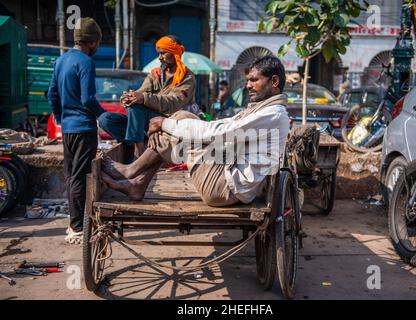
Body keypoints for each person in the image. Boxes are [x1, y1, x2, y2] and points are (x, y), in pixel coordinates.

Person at [101, 56, 290, 206]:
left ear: (274, 81)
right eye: (248, 80)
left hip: (226, 188)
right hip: (228, 173)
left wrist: (165, 124)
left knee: (181, 119)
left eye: (254, 80)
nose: (248, 85)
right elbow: (227, 123)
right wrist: (167, 123)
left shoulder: (272, 113)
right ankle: (137, 183)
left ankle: (133, 171)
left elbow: (221, 132)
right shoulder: (264, 109)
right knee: (182, 119)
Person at [47, 17, 105, 244]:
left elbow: (52, 94)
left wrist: (61, 118)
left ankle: (74, 224)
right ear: (92, 42)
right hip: (83, 129)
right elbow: (87, 98)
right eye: (98, 42)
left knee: (71, 175)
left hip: (69, 129)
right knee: (80, 176)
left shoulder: (61, 61)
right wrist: (102, 115)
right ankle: (79, 227)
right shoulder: (86, 62)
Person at [98, 35, 196, 159]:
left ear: (174, 53)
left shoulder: (187, 78)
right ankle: (139, 144)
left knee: (136, 105)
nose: (160, 58)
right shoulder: (155, 74)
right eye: (159, 54)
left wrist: (143, 97)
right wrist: (128, 97)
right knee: (105, 119)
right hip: (146, 124)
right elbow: (142, 92)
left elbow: (173, 104)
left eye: (163, 53)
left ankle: (138, 150)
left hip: (169, 123)